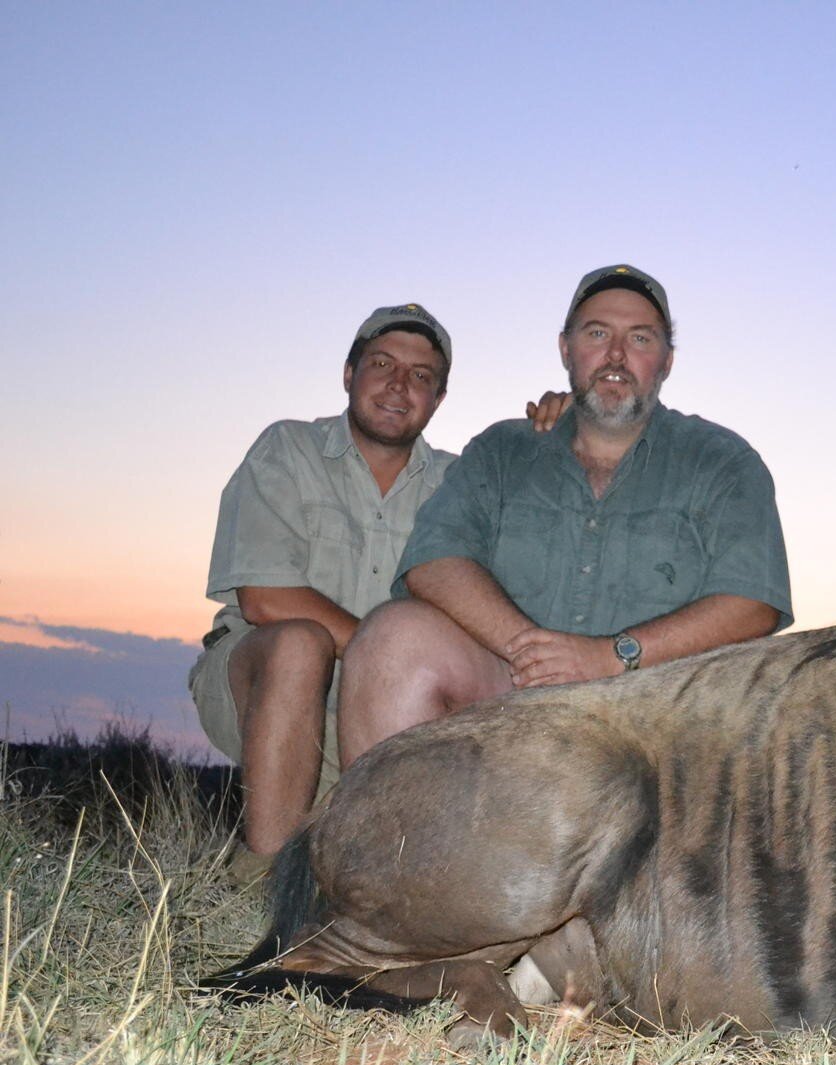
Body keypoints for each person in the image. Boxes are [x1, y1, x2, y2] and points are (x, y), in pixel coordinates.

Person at [339, 265, 791, 761]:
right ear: (566, 349)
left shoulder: (722, 459)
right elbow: (434, 560)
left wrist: (609, 657)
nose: (616, 355)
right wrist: (534, 656)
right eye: (597, 333)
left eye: (640, 338)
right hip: (509, 695)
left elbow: (753, 601)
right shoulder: (502, 448)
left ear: (666, 361)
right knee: (390, 639)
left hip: (656, 724)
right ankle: (392, 840)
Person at [190, 304, 455, 881]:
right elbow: (264, 599)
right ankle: (263, 877)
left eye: (421, 376)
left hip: (386, 717)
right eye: (382, 363)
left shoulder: (460, 484)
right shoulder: (288, 448)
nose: (398, 385)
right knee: (297, 644)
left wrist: (552, 433)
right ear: (348, 374)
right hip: (260, 683)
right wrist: (389, 658)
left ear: (436, 400)